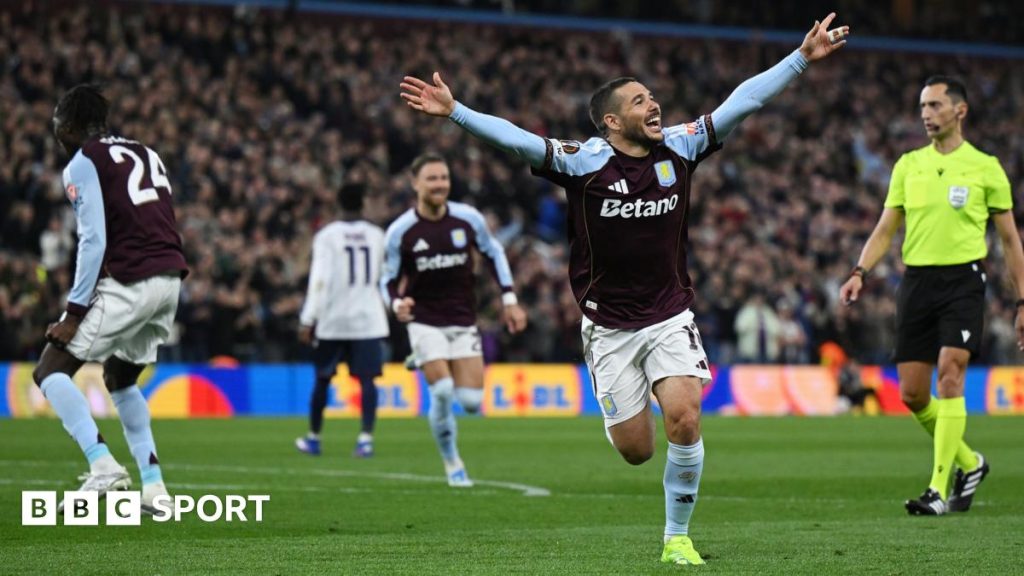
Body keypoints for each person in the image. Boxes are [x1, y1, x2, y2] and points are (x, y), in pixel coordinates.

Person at [400, 13, 849, 566]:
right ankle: (624, 423)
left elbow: (744, 103)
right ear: (611, 121)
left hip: (668, 313)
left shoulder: (681, 148)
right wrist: (458, 113)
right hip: (609, 325)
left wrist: (800, 58)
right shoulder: (585, 161)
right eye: (639, 101)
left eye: (653, 97)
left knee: (685, 415)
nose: (653, 104)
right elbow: (518, 142)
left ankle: (676, 538)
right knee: (637, 450)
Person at [840, 75, 1024, 515]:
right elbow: (886, 228)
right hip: (916, 282)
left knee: (950, 373)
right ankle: (970, 462)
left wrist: (1022, 301)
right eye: (923, 106)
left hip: (963, 281)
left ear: (960, 111)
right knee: (913, 394)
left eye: (936, 105)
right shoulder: (908, 165)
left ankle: (938, 489)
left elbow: (1010, 241)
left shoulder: (985, 167)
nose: (926, 113)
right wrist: (860, 270)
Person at [34, 85, 188, 515]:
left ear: (69, 123)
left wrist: (75, 312)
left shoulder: (83, 161)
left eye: (56, 125)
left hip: (131, 279)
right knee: (121, 378)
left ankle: (102, 464)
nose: (55, 134)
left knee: (50, 369)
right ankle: (155, 488)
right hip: (170, 278)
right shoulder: (147, 152)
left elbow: (94, 238)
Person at [380, 152, 528, 487]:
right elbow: (386, 279)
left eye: (443, 178)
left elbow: (494, 253)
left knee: (473, 403)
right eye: (431, 179)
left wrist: (509, 300)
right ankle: (452, 463)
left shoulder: (467, 219)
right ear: (415, 184)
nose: (439, 185)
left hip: (463, 319)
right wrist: (395, 304)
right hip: (424, 319)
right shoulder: (401, 231)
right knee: (443, 391)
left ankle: (426, 359)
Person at [295, 183, 389, 458]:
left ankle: (313, 438)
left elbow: (319, 279)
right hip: (369, 319)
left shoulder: (328, 235)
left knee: (323, 379)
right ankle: (365, 439)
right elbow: (385, 276)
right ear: (363, 204)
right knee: (368, 380)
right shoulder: (377, 235)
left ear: (338, 205)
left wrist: (308, 318)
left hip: (333, 320)